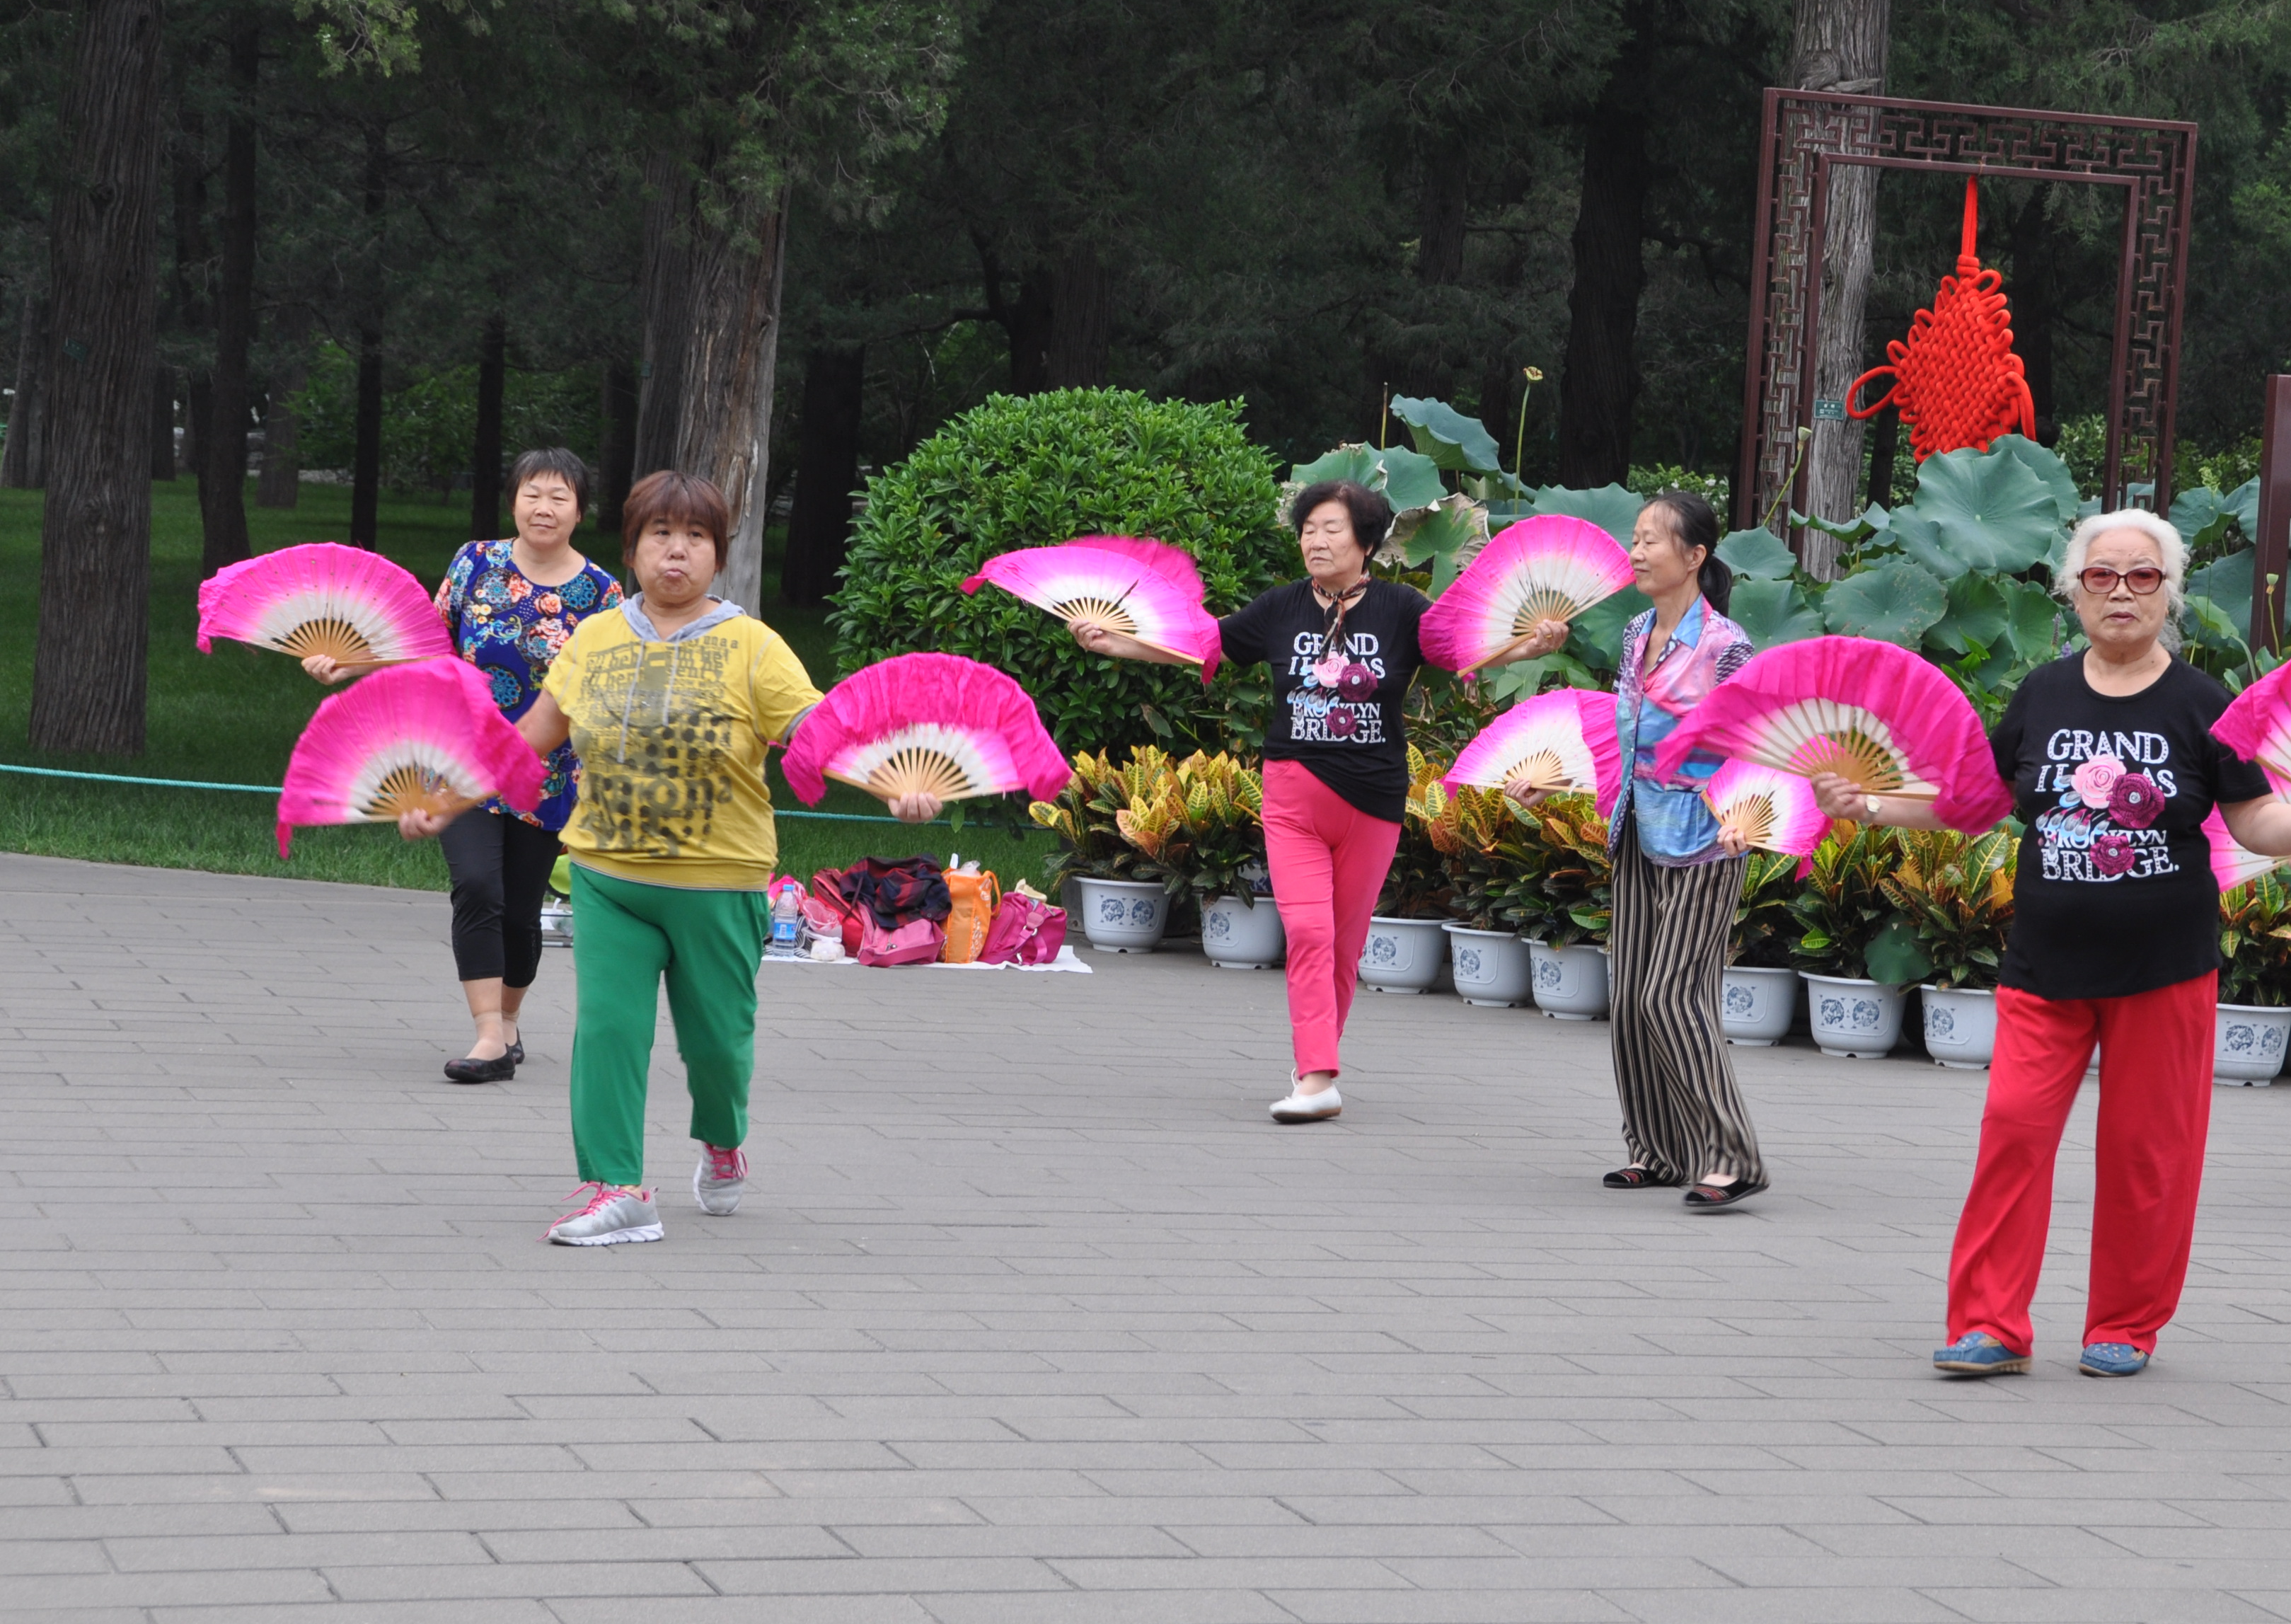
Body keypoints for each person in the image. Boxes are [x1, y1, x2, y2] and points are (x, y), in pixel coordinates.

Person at [1813, 512, 2291, 1381]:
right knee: (2011, 1129)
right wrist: (1872, 804)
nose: (2121, 592)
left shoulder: (2199, 701)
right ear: (2073, 591)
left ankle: (2124, 1324)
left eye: (2142, 577)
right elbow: (1980, 798)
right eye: (2102, 576)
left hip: (2164, 967)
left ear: (2169, 592)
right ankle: (1990, 1325)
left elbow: (2249, 814)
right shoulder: (2042, 692)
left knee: (2148, 1154)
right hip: (2044, 963)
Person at [398, 470, 942, 1245]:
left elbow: (821, 733)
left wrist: (894, 785)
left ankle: (722, 1142)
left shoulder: (752, 645)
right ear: (633, 546)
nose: (676, 551)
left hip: (718, 882)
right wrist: (446, 800)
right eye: (660, 534)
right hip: (609, 874)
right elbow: (529, 740)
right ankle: (616, 1187)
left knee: (716, 1045)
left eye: (695, 537)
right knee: (609, 1032)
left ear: (718, 554)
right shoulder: (595, 639)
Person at [1069, 480, 1559, 1123]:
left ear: (1367, 541)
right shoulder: (1280, 609)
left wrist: (1534, 643)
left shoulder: (1403, 609)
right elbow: (1202, 643)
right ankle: (1317, 1078)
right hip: (1294, 791)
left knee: (1345, 945)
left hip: (1375, 798)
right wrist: (1117, 640)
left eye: (1332, 529)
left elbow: (1469, 650)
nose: (1316, 541)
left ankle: (1312, 1060)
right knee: (1306, 929)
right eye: (1308, 530)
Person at [304, 448, 621, 1082]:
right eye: (533, 492)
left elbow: (608, 684)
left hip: (549, 774)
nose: (544, 507)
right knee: (477, 884)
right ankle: (486, 1036)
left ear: (580, 512)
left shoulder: (602, 593)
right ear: (513, 500)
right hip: (458, 759)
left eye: (560, 497)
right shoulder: (476, 563)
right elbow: (426, 641)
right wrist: (353, 663)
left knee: (523, 909)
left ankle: (507, 1021)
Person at [1508, 493, 1765, 1209]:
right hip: (1636, 829)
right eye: (1636, 537)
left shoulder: (1727, 646)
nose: (1639, 549)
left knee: (1670, 995)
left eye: (1654, 539)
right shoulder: (1635, 633)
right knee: (1628, 1002)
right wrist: (1552, 780)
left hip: (1707, 836)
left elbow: (1756, 742)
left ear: (1695, 556)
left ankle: (1730, 1153)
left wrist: (1748, 812)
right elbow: (1623, 737)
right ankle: (1655, 1151)